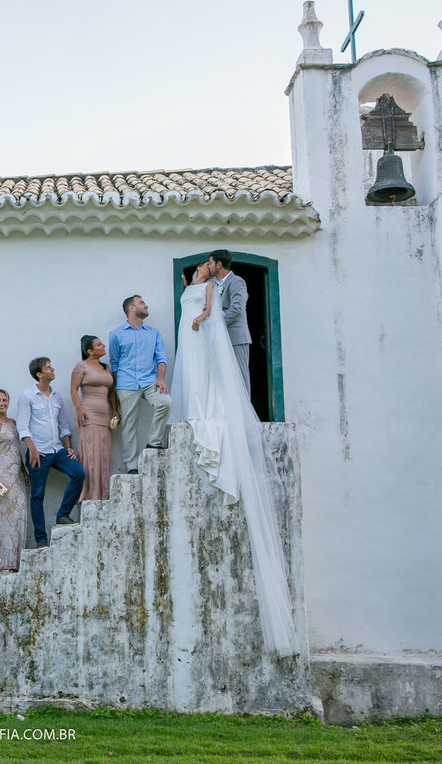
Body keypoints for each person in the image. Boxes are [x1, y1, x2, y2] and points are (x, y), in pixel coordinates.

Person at [174, 260, 298, 656]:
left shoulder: (217, 286)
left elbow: (214, 311)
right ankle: (195, 408)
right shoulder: (190, 285)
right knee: (192, 374)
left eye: (208, 263)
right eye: (203, 266)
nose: (205, 267)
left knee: (213, 378)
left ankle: (211, 409)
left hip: (203, 331)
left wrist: (202, 319)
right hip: (190, 334)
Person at [16, 358, 86, 547]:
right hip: (38, 452)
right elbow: (22, 426)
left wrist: (69, 447)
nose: (52, 369)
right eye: (48, 368)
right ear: (39, 374)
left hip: (57, 449)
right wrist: (32, 449)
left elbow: (64, 425)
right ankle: (41, 539)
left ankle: (63, 514)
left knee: (79, 473)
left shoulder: (57, 397)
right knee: (37, 495)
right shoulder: (27, 396)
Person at [108, 295, 172, 475]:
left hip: (150, 381)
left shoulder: (154, 333)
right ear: (131, 308)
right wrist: (118, 388)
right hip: (126, 383)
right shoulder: (116, 334)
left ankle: (154, 442)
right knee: (129, 424)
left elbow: (161, 358)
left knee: (165, 403)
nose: (146, 305)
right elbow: (115, 363)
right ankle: (132, 466)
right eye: (142, 303)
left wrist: (160, 378)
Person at [0, 389, 29, 572]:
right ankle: (4, 563)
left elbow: (17, 449)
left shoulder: (14, 423)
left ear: (8, 402)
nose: (1, 403)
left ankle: (18, 561)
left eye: (4, 400)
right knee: (4, 518)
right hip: (2, 475)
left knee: (19, 515)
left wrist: (24, 471)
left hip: (16, 475)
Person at [71, 336, 119, 502]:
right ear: (90, 351)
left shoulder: (106, 368)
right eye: (99, 345)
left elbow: (111, 392)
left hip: (104, 416)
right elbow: (73, 389)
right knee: (90, 454)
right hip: (88, 414)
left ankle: (102, 495)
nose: (103, 346)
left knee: (103, 455)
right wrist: (78, 408)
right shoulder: (81, 366)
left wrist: (115, 411)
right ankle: (88, 495)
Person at [208, 249, 251, 395]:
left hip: (236, 337)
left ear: (219, 264)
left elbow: (237, 309)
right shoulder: (211, 283)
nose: (209, 266)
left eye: (211, 263)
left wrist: (217, 325)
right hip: (219, 338)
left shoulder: (237, 282)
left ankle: (245, 409)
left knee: (240, 375)